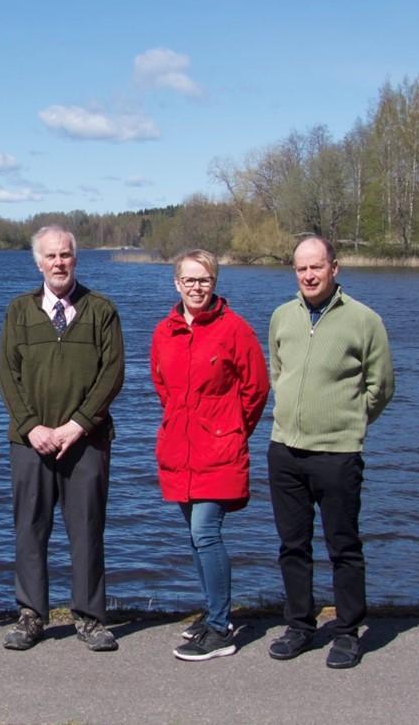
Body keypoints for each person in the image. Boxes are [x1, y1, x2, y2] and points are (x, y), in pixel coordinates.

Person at [266, 235, 394, 669]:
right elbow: (277, 371)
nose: (308, 275)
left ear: (334, 268)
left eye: (316, 267)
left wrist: (351, 421)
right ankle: (300, 626)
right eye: (301, 268)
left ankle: (346, 631)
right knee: (292, 545)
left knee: (343, 545)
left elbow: (381, 385)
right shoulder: (282, 316)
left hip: (337, 453)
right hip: (285, 450)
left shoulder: (364, 320)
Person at [0, 225, 125, 652]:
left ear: (76, 259)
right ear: (38, 262)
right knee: (30, 530)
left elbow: (112, 375)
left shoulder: (101, 310)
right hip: (29, 443)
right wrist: (32, 426)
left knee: (87, 530)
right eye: (51, 256)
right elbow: (7, 376)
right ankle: (31, 616)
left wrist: (77, 424)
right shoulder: (18, 311)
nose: (59, 263)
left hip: (86, 442)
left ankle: (89, 618)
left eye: (66, 255)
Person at [150, 249, 269, 661]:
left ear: (214, 283)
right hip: (179, 449)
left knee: (206, 532)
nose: (196, 287)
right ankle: (214, 613)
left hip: (219, 449)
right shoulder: (164, 331)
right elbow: (162, 384)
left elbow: (256, 389)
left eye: (204, 280)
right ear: (176, 283)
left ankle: (221, 629)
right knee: (195, 538)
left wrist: (230, 429)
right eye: (189, 280)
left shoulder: (234, 329)